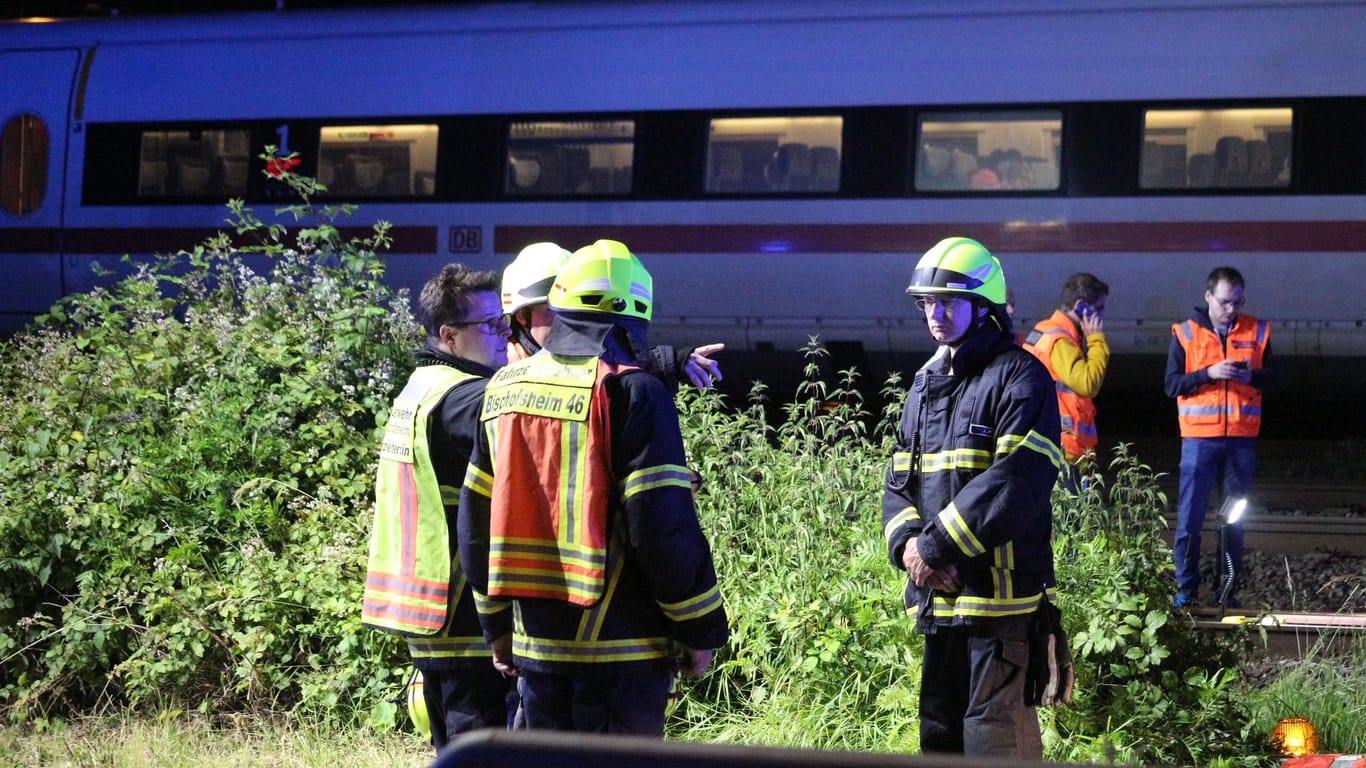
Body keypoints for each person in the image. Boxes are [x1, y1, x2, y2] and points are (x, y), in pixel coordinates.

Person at [459, 239, 729, 736]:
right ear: (634, 317)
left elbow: (476, 523)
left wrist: (495, 626)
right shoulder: (634, 391)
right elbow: (661, 530)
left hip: (535, 649)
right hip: (623, 652)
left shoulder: (502, 391)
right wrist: (700, 630)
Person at [882, 236, 1063, 758]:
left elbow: (1016, 482)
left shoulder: (1023, 377)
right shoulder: (925, 383)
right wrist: (911, 551)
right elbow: (898, 482)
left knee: (995, 743)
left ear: (983, 309)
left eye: (947, 303)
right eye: (926, 304)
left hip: (999, 606)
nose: (934, 314)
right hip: (938, 601)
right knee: (939, 740)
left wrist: (934, 549)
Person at [360, 263, 517, 750]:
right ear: (449, 335)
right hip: (463, 608)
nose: (503, 335)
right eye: (490, 325)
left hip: (428, 608)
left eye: (505, 322)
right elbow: (534, 416)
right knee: (478, 747)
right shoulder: (464, 400)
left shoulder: (422, 387)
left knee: (452, 744)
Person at [1165, 266, 1275, 608]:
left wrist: (1250, 376)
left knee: (1234, 520)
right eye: (1226, 302)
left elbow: (1272, 378)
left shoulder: (1257, 330)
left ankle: (1226, 592)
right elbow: (1171, 385)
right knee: (1190, 521)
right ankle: (1186, 590)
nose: (1232, 309)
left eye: (1238, 302)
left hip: (1241, 440)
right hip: (1199, 440)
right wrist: (1208, 373)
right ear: (1208, 296)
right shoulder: (1185, 333)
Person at [501, 240, 725, 389]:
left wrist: (673, 362)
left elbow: (609, 365)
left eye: (574, 310)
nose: (568, 322)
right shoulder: (501, 369)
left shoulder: (561, 356)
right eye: (554, 311)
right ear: (522, 317)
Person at [1023, 273, 1111, 469]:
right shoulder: (1060, 341)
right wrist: (1096, 339)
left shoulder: (1046, 331)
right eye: (1099, 309)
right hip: (1065, 448)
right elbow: (1088, 384)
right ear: (1081, 306)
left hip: (1046, 441)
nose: (1101, 317)